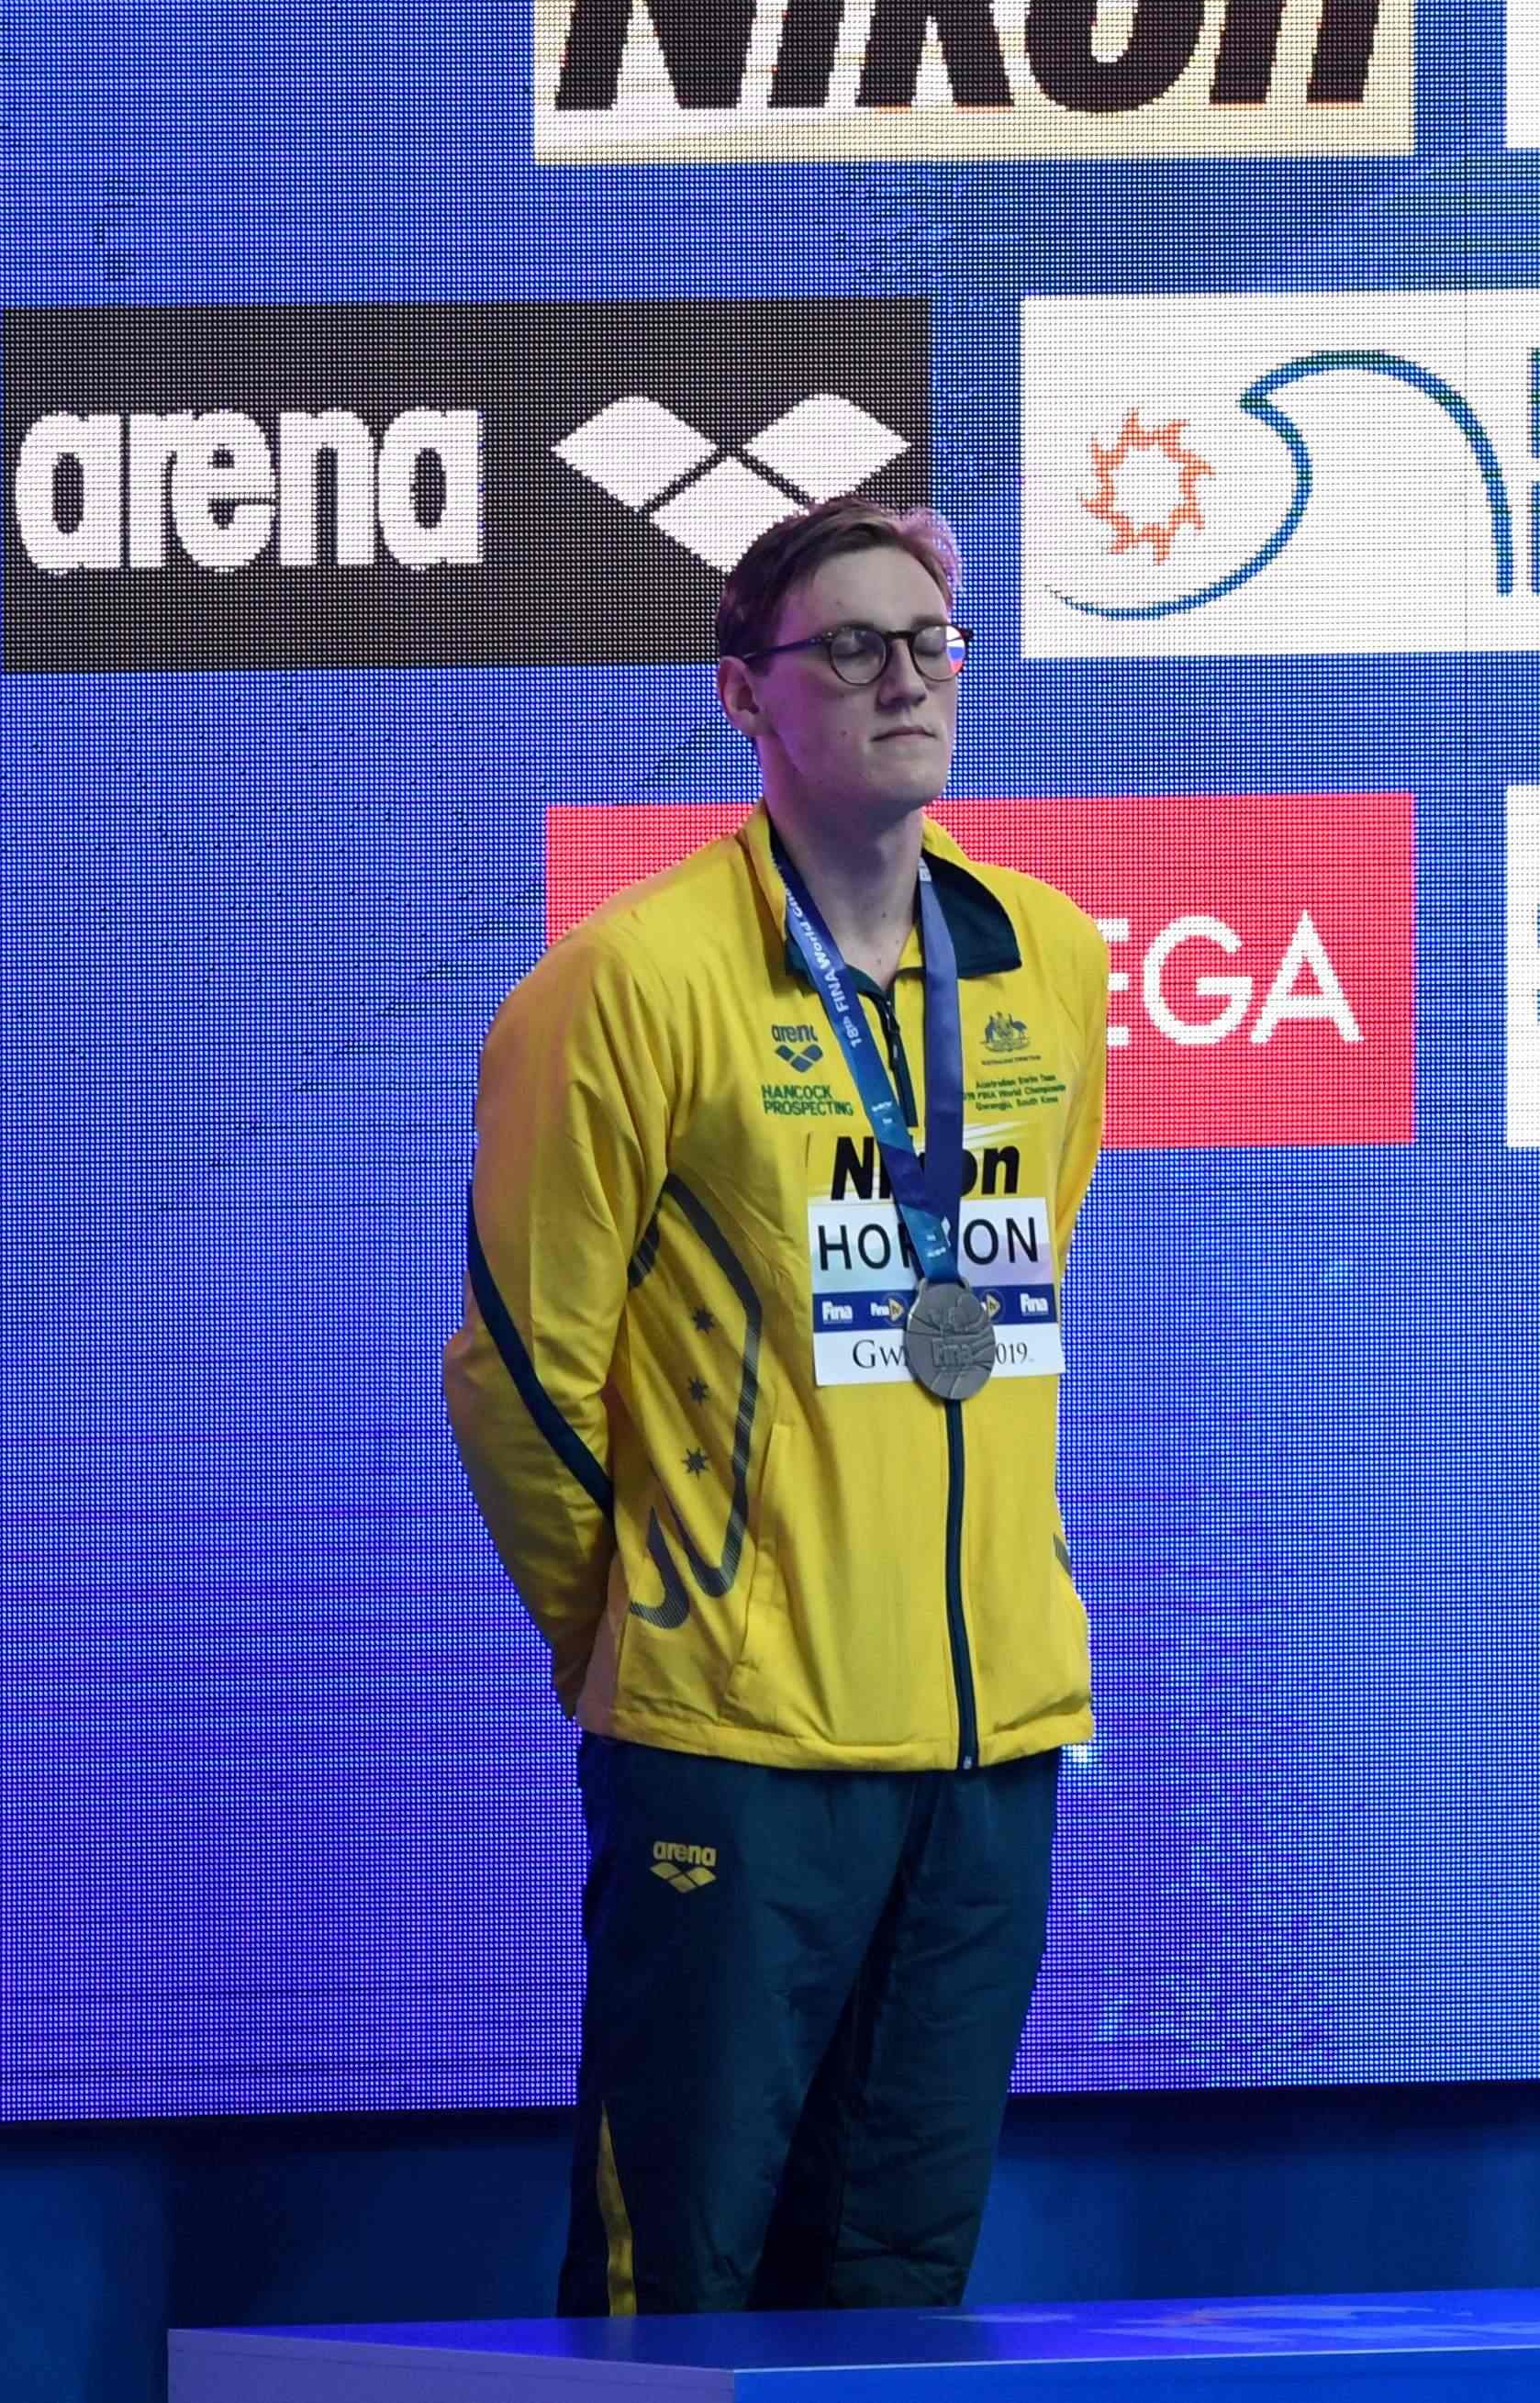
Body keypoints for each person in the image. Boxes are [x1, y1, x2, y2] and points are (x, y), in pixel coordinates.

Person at [443, 492, 1110, 2315]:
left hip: (987, 1758)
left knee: (901, 2285)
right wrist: (653, 1626)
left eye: (933, 643)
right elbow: (520, 1372)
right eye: (853, 648)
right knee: (683, 2281)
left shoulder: (1051, 961)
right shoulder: (625, 986)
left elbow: (1012, 1295)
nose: (907, 680)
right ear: (745, 695)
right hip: (732, 1752)